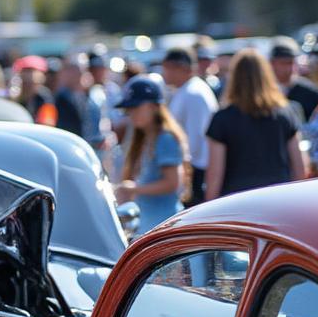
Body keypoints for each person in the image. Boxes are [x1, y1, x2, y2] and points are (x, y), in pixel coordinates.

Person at [205, 49, 305, 201]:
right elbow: (299, 167)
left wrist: (207, 209)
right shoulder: (285, 113)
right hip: (280, 198)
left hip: (238, 201)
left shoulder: (222, 118)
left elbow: (214, 175)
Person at [112, 76, 186, 236]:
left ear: (154, 106)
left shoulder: (165, 138)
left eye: (136, 107)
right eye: (129, 109)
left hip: (164, 225)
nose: (131, 113)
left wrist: (135, 188)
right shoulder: (146, 137)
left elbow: (173, 183)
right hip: (150, 225)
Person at [161, 46, 218, 206]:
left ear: (180, 68)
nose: (164, 73)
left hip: (197, 170)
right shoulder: (187, 90)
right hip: (192, 168)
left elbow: (196, 137)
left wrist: (182, 168)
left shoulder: (194, 93)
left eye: (167, 68)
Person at [268, 37, 318, 122]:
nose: (289, 68)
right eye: (283, 63)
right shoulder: (265, 90)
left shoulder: (310, 92)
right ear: (272, 63)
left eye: (292, 62)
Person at [11, 56, 55, 124]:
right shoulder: (14, 95)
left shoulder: (44, 98)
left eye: (32, 71)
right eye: (25, 71)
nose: (29, 76)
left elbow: (48, 123)